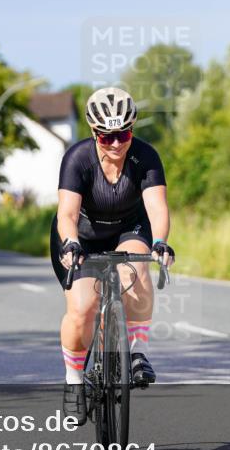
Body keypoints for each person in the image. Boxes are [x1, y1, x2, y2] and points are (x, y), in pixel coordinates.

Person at [51, 87, 175, 425]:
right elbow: (67, 214)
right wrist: (71, 243)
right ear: (94, 133)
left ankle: (137, 353)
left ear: (132, 130)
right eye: (106, 137)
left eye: (123, 134)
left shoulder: (145, 157)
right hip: (83, 235)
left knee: (137, 272)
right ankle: (74, 381)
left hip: (129, 228)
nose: (116, 143)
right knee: (82, 310)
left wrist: (161, 241)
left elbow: (157, 207)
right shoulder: (78, 158)